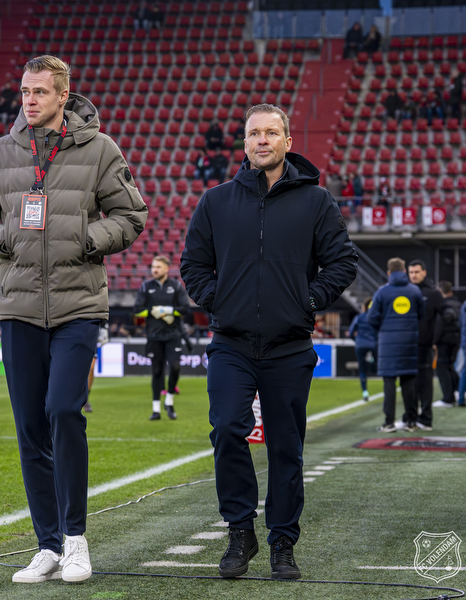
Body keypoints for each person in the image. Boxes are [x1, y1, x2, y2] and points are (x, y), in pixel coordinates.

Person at [0, 55, 147, 584]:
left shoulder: (100, 149)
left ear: (64, 96)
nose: (30, 100)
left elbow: (132, 215)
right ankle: (48, 544)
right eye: (25, 91)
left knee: (64, 410)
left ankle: (76, 538)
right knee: (30, 428)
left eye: (40, 91)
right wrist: (5, 239)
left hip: (78, 303)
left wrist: (88, 239)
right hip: (18, 306)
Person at [180, 103, 357, 580]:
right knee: (226, 429)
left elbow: (343, 261)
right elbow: (193, 265)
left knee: (285, 448)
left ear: (287, 142)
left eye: (272, 132)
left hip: (289, 346)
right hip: (231, 343)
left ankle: (283, 541)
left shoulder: (316, 201)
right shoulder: (216, 201)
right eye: (254, 133)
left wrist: (308, 300)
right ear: (244, 143)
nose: (262, 140)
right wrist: (219, 301)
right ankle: (241, 531)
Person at [367, 258, 425, 432]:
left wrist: (384, 328)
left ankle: (389, 423)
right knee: (408, 383)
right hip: (409, 342)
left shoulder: (382, 292)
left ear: (388, 273)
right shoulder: (414, 291)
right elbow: (421, 314)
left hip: (388, 344)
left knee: (389, 383)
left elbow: (371, 318)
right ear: (405, 271)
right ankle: (411, 422)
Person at [134, 255, 190, 420]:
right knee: (157, 371)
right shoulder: (146, 286)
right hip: (154, 336)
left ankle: (169, 401)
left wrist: (168, 311)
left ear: (167, 269)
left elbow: (185, 308)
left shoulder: (176, 286)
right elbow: (137, 310)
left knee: (175, 367)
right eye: (153, 267)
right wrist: (152, 312)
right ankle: (156, 409)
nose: (155, 270)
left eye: (158, 267)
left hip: (173, 335)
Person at [407, 260, 442, 430]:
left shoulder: (433, 294)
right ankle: (410, 418)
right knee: (408, 383)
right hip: (407, 345)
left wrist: (435, 340)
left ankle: (426, 419)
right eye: (411, 272)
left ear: (424, 272)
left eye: (416, 272)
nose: (414, 275)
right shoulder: (405, 292)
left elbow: (443, 318)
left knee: (425, 383)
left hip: (425, 345)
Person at [434, 281, 461, 407]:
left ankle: (448, 398)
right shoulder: (458, 303)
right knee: (450, 365)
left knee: (442, 366)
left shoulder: (442, 305)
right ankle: (458, 391)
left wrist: (434, 341)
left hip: (444, 339)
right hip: (456, 338)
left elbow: (440, 325)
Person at [348, 298, 378, 400]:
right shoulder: (375, 318)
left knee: (362, 369)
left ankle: (365, 392)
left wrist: (356, 340)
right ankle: (371, 361)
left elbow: (351, 332)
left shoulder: (359, 317)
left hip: (360, 344)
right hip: (373, 344)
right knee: (376, 365)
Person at [84, 322, 110, 412]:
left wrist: (104, 328)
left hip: (91, 333)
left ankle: (85, 397)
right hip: (76, 331)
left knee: (91, 368)